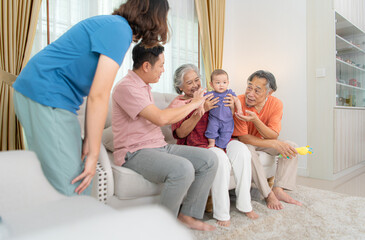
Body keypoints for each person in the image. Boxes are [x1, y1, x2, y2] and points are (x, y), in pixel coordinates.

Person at [12, 0, 170, 196]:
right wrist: (94, 152)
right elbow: (99, 94)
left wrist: (90, 139)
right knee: (77, 182)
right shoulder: (119, 30)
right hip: (47, 94)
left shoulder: (113, 26)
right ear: (155, 17)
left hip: (44, 93)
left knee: (65, 180)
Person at [112, 44, 218, 231]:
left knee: (209, 159)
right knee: (182, 168)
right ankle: (162, 228)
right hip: (135, 151)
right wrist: (195, 103)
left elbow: (167, 117)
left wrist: (195, 106)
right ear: (146, 66)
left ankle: (187, 215)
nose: (163, 70)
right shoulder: (126, 87)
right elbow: (161, 119)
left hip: (159, 146)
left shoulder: (144, 87)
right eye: (161, 65)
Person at [169, 64, 258, 228]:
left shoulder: (209, 94)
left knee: (243, 152)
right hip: (198, 145)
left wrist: (232, 107)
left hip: (221, 140)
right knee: (221, 160)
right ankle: (222, 213)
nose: (195, 85)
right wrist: (200, 108)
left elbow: (224, 118)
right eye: (189, 83)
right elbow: (180, 134)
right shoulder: (177, 104)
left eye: (197, 80)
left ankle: (245, 205)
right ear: (180, 87)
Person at [233, 70, 302, 210]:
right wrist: (273, 143)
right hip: (241, 143)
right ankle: (268, 194)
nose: (250, 94)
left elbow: (273, 135)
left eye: (257, 90)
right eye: (249, 87)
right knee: (249, 150)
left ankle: (279, 189)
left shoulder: (276, 104)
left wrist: (256, 120)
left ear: (269, 93)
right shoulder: (238, 102)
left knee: (291, 146)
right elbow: (243, 137)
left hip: (260, 141)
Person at [205, 69, 243, 148]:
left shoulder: (229, 93)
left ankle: (221, 146)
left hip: (227, 120)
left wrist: (239, 110)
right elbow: (201, 101)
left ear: (228, 83)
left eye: (224, 82)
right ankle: (211, 143)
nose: (221, 85)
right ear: (211, 84)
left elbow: (237, 100)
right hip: (214, 118)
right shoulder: (210, 94)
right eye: (218, 83)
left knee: (226, 133)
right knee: (211, 130)